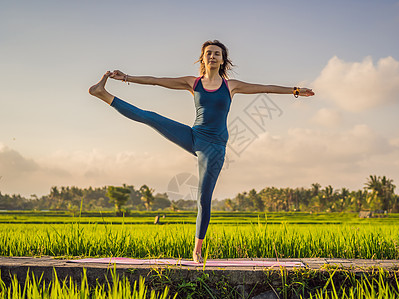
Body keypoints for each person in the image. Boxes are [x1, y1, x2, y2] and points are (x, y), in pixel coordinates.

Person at [88, 40, 314, 263]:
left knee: (203, 198)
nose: (213, 56)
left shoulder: (231, 86)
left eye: (217, 53)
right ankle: (103, 94)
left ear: (223, 59)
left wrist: (295, 90)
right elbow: (157, 81)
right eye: (209, 53)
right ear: (203, 58)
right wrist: (127, 78)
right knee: (151, 117)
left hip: (215, 146)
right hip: (194, 136)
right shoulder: (193, 83)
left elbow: (265, 87)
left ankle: (197, 249)